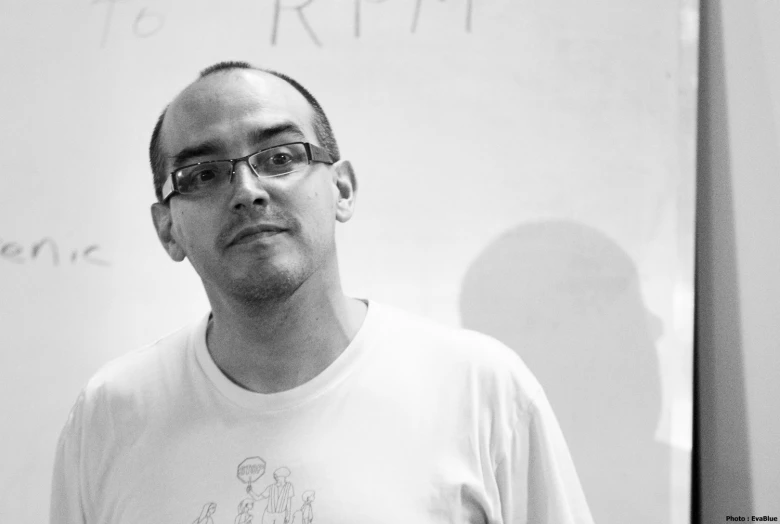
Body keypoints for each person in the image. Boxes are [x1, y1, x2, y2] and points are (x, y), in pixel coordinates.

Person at [49, 61, 594, 523]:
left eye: (281, 157)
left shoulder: (481, 390)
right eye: (202, 174)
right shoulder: (111, 414)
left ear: (342, 188)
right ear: (168, 228)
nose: (247, 190)